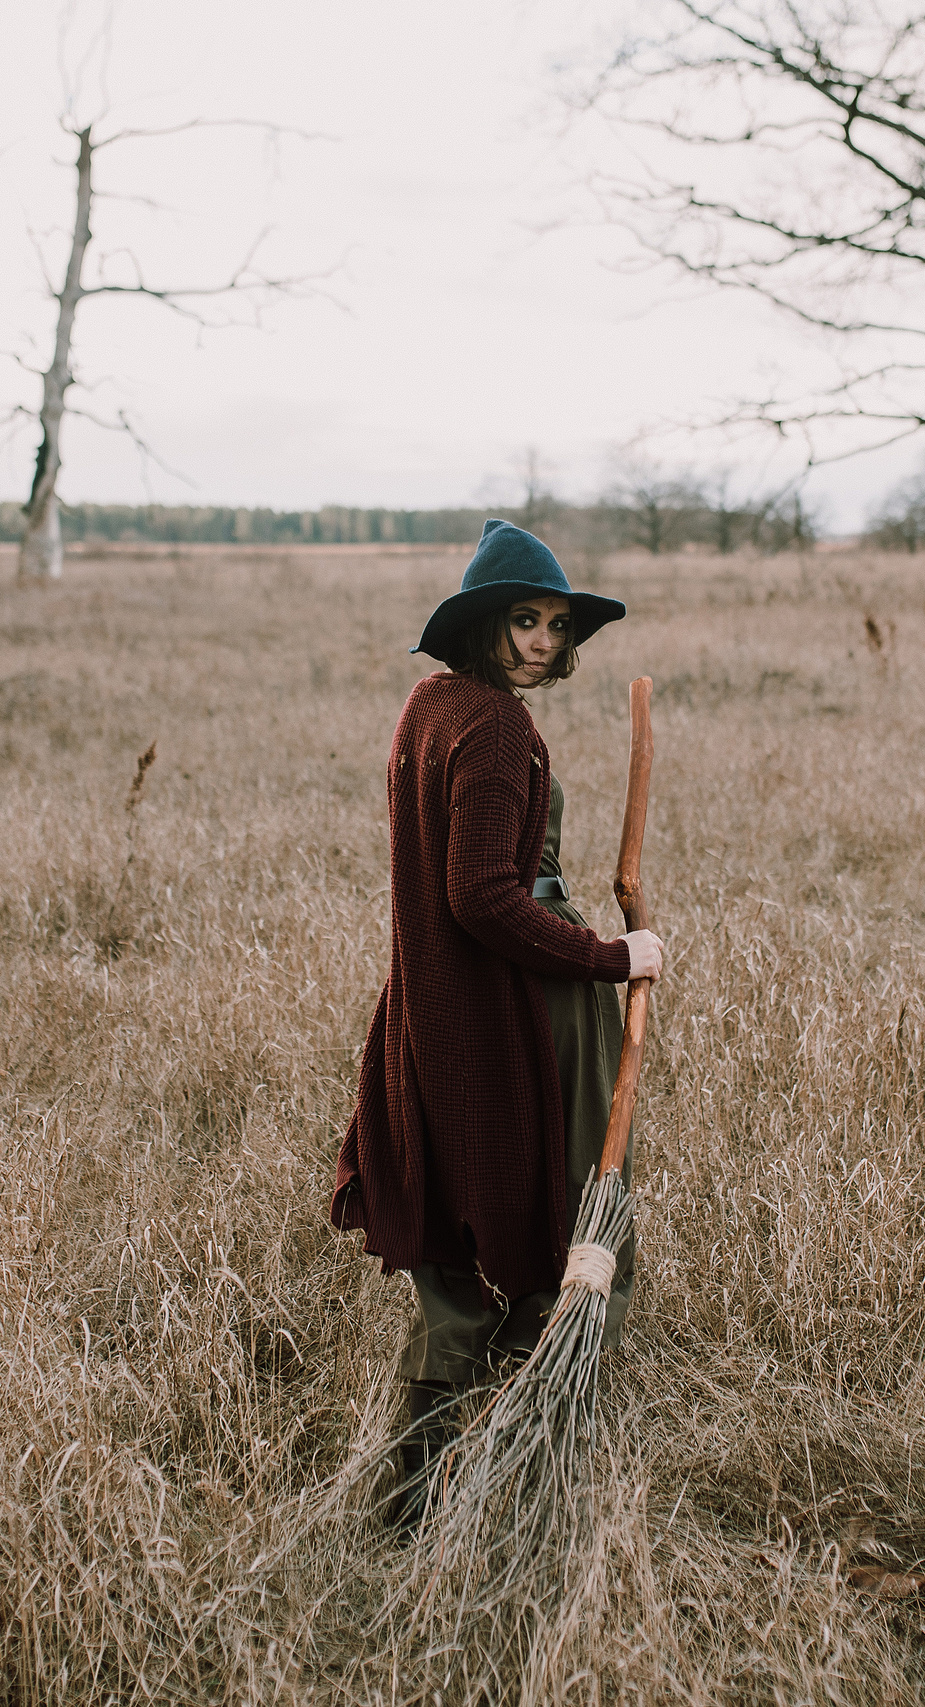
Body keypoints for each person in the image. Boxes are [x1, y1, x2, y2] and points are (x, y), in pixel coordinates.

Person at [329, 519, 664, 1530]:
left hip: (432, 1008)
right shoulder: (494, 726)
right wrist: (612, 958)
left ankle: (437, 1486)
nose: (542, 643)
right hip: (512, 1003)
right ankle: (508, 1468)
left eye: (557, 626)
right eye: (524, 621)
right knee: (556, 1220)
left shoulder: (428, 707)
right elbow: (479, 895)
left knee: (468, 1242)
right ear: (483, 624)